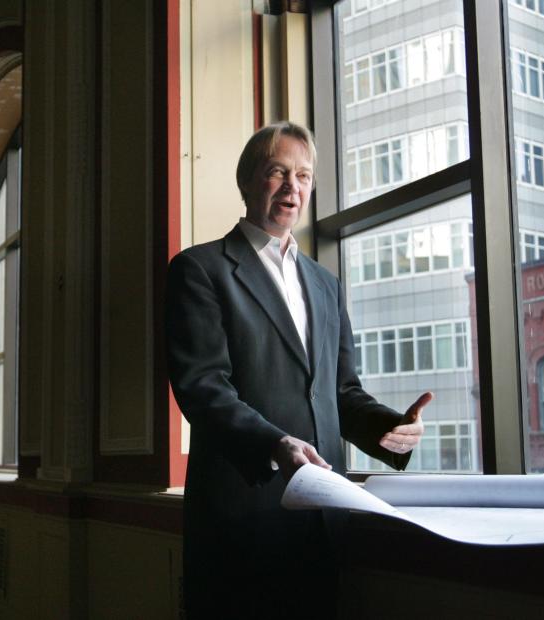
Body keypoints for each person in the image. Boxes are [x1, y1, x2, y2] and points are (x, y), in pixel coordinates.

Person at [166, 121, 433, 618]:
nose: (293, 186)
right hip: (240, 520)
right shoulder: (199, 269)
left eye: (304, 176)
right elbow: (203, 388)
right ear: (248, 181)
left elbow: (340, 393)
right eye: (278, 172)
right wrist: (276, 443)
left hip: (322, 519)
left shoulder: (326, 283)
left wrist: (389, 427)